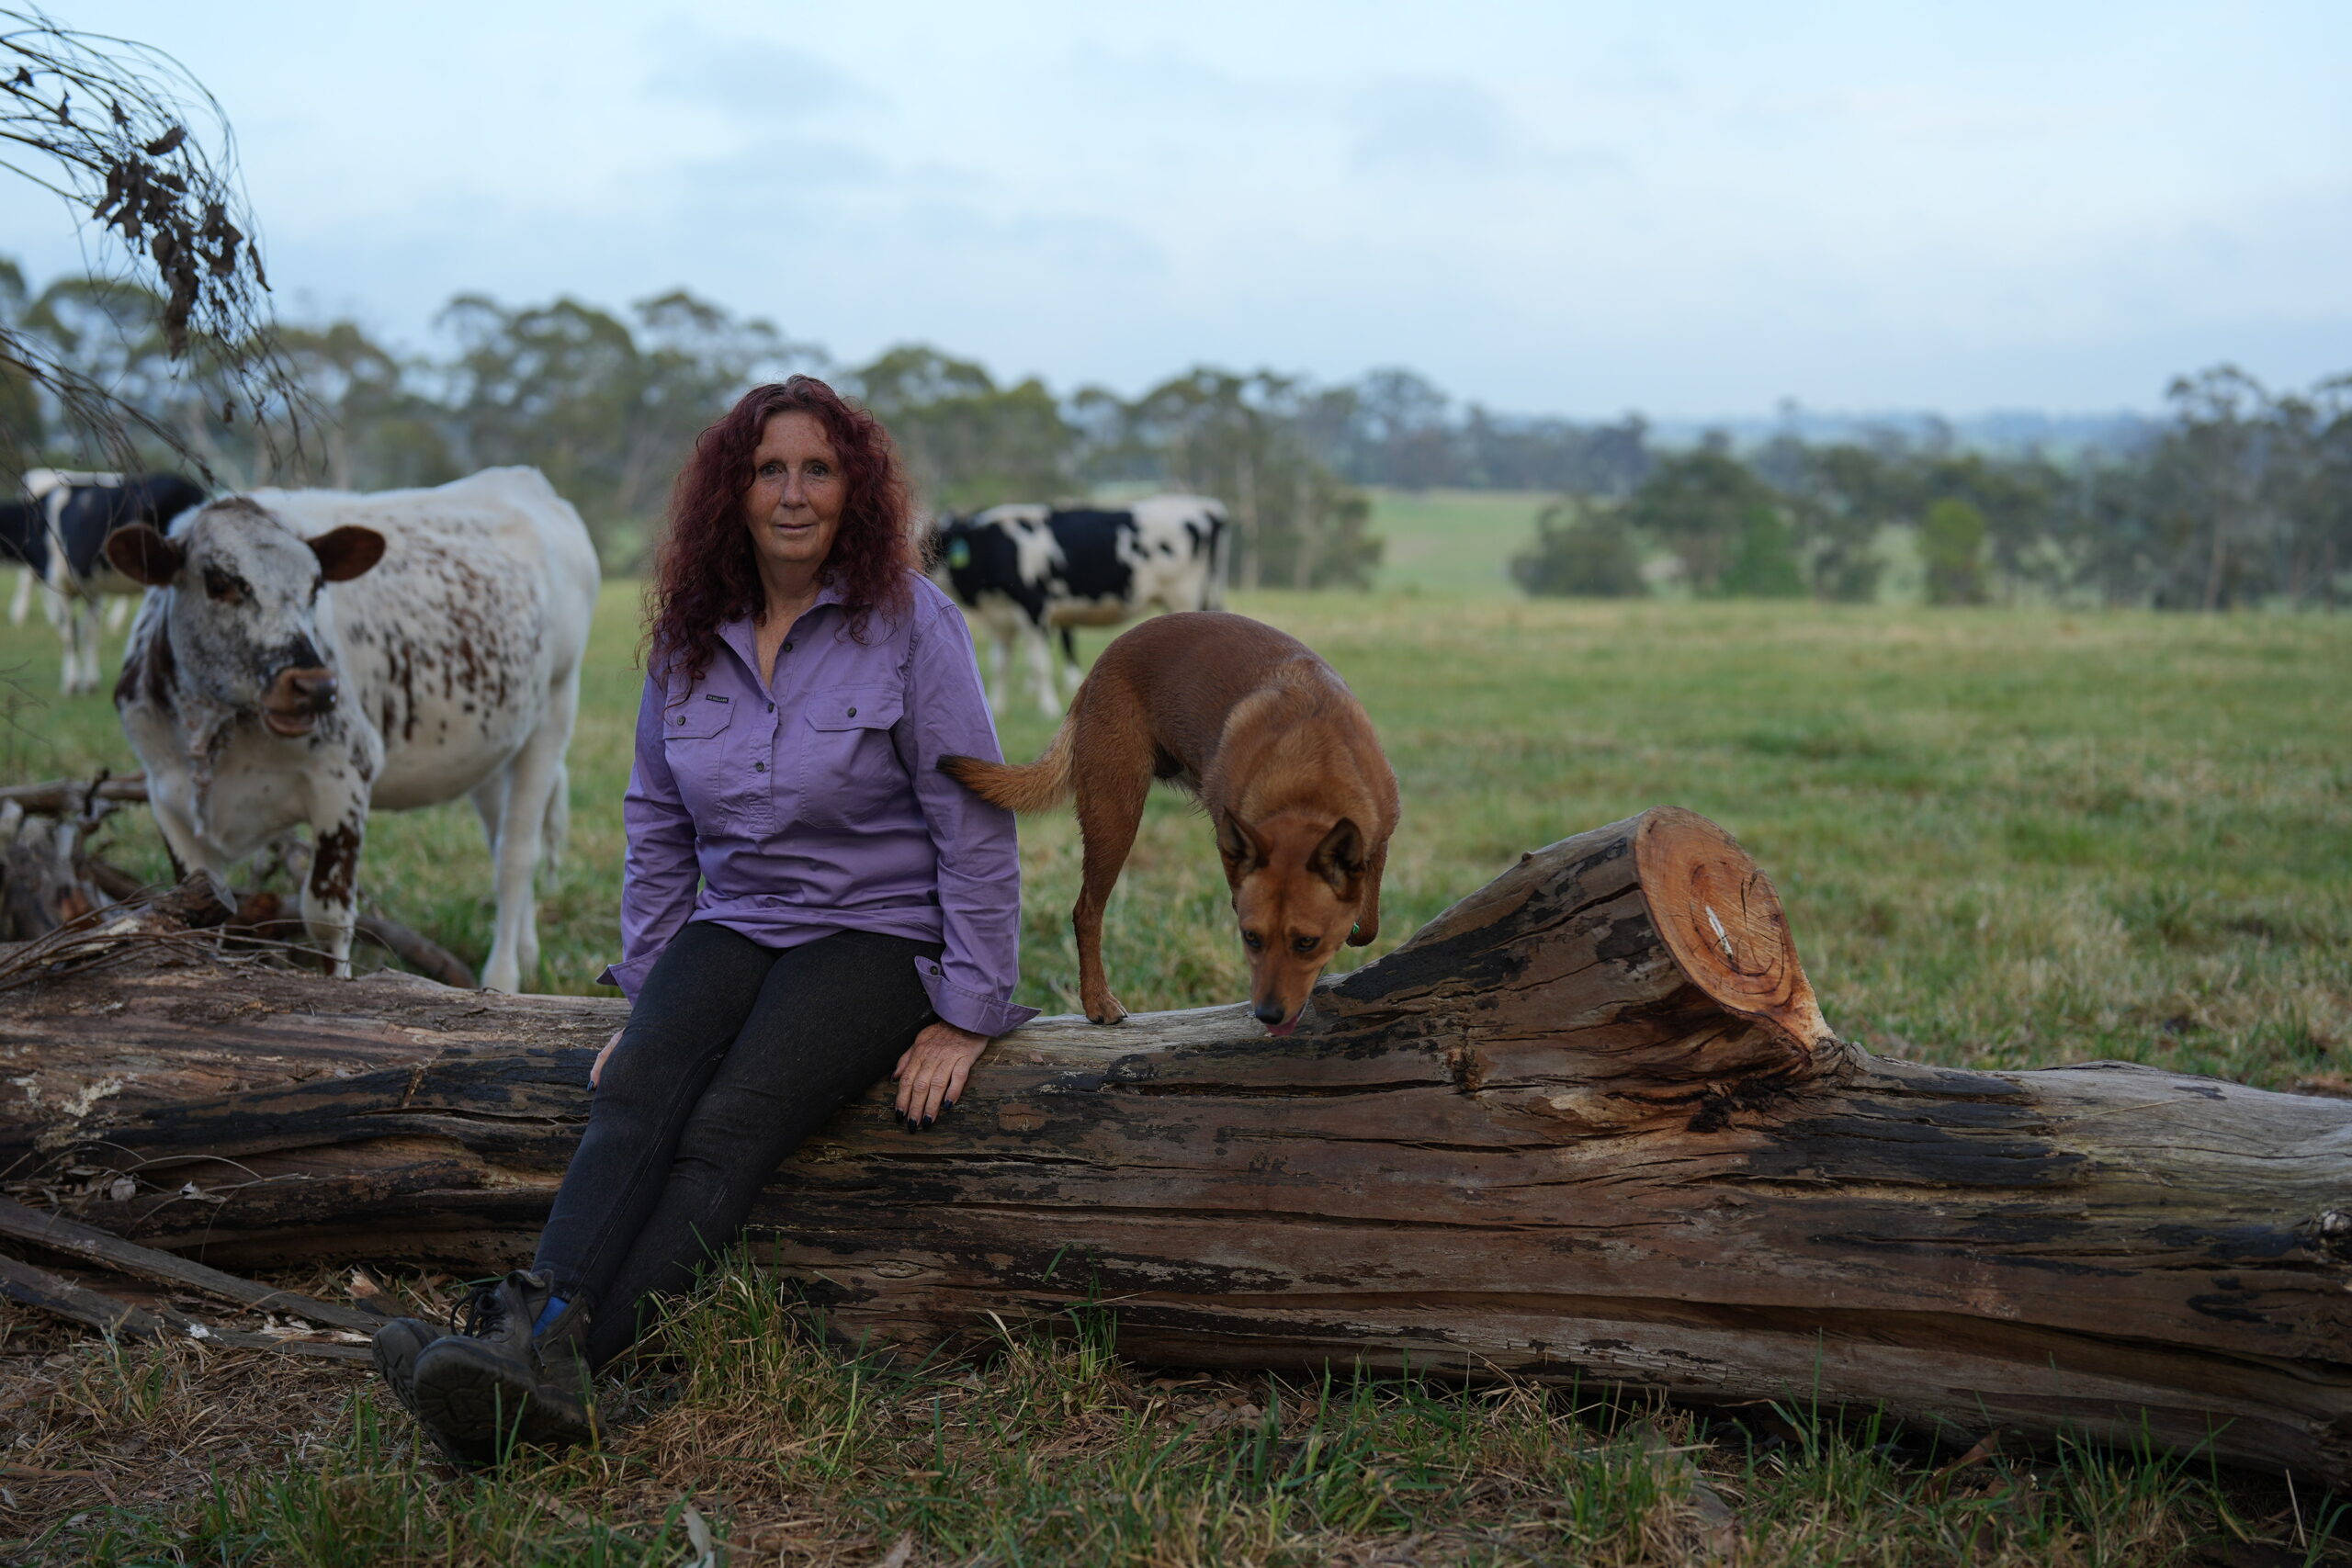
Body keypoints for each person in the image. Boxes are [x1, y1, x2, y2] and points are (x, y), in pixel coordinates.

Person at [370, 377, 1037, 1460]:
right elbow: (658, 823)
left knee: (728, 1124)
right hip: (737, 920)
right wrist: (647, 997)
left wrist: (967, 1010)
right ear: (731, 491)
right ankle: (532, 1339)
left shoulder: (914, 624)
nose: (791, 493)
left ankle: (556, 1365)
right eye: (768, 469)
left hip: (874, 931)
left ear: (853, 489)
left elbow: (972, 821)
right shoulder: (692, 631)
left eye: (817, 470)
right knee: (636, 1091)